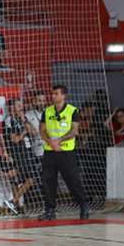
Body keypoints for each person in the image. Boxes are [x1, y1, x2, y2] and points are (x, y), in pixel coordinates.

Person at [39, 85, 89, 220]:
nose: (53, 96)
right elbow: (42, 130)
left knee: (72, 180)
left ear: (63, 95)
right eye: (52, 93)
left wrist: (59, 140)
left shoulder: (72, 111)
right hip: (50, 151)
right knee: (48, 181)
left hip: (66, 151)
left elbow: (74, 131)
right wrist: (50, 142)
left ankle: (83, 205)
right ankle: (50, 210)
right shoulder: (47, 111)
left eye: (56, 94)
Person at [3, 98, 38, 213]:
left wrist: (25, 122)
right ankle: (13, 201)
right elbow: (15, 139)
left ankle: (14, 203)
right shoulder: (9, 120)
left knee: (24, 179)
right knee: (30, 179)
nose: (21, 108)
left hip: (28, 151)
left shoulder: (23, 119)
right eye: (18, 106)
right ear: (12, 108)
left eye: (21, 105)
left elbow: (34, 132)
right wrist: (24, 132)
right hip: (19, 153)